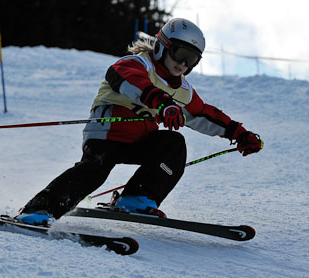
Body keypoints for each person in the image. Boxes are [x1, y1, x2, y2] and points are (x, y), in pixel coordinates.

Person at [15, 18, 262, 225]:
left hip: (140, 140)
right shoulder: (137, 63)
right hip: (107, 133)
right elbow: (128, 79)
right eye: (181, 53)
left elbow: (203, 114)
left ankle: (137, 197)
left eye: (192, 60)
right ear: (163, 46)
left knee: (173, 144)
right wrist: (162, 103)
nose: (183, 64)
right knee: (94, 170)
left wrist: (239, 134)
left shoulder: (183, 90)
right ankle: (38, 210)